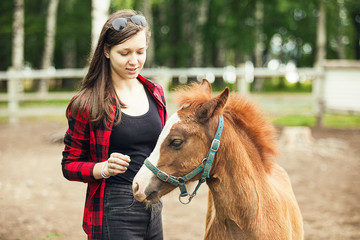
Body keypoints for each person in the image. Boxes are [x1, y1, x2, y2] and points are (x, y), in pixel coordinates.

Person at [62, 9, 167, 240]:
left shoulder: (155, 93)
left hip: (153, 202)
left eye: (141, 51)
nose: (134, 61)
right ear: (107, 51)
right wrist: (102, 168)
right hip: (114, 205)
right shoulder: (87, 103)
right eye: (125, 53)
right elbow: (69, 165)